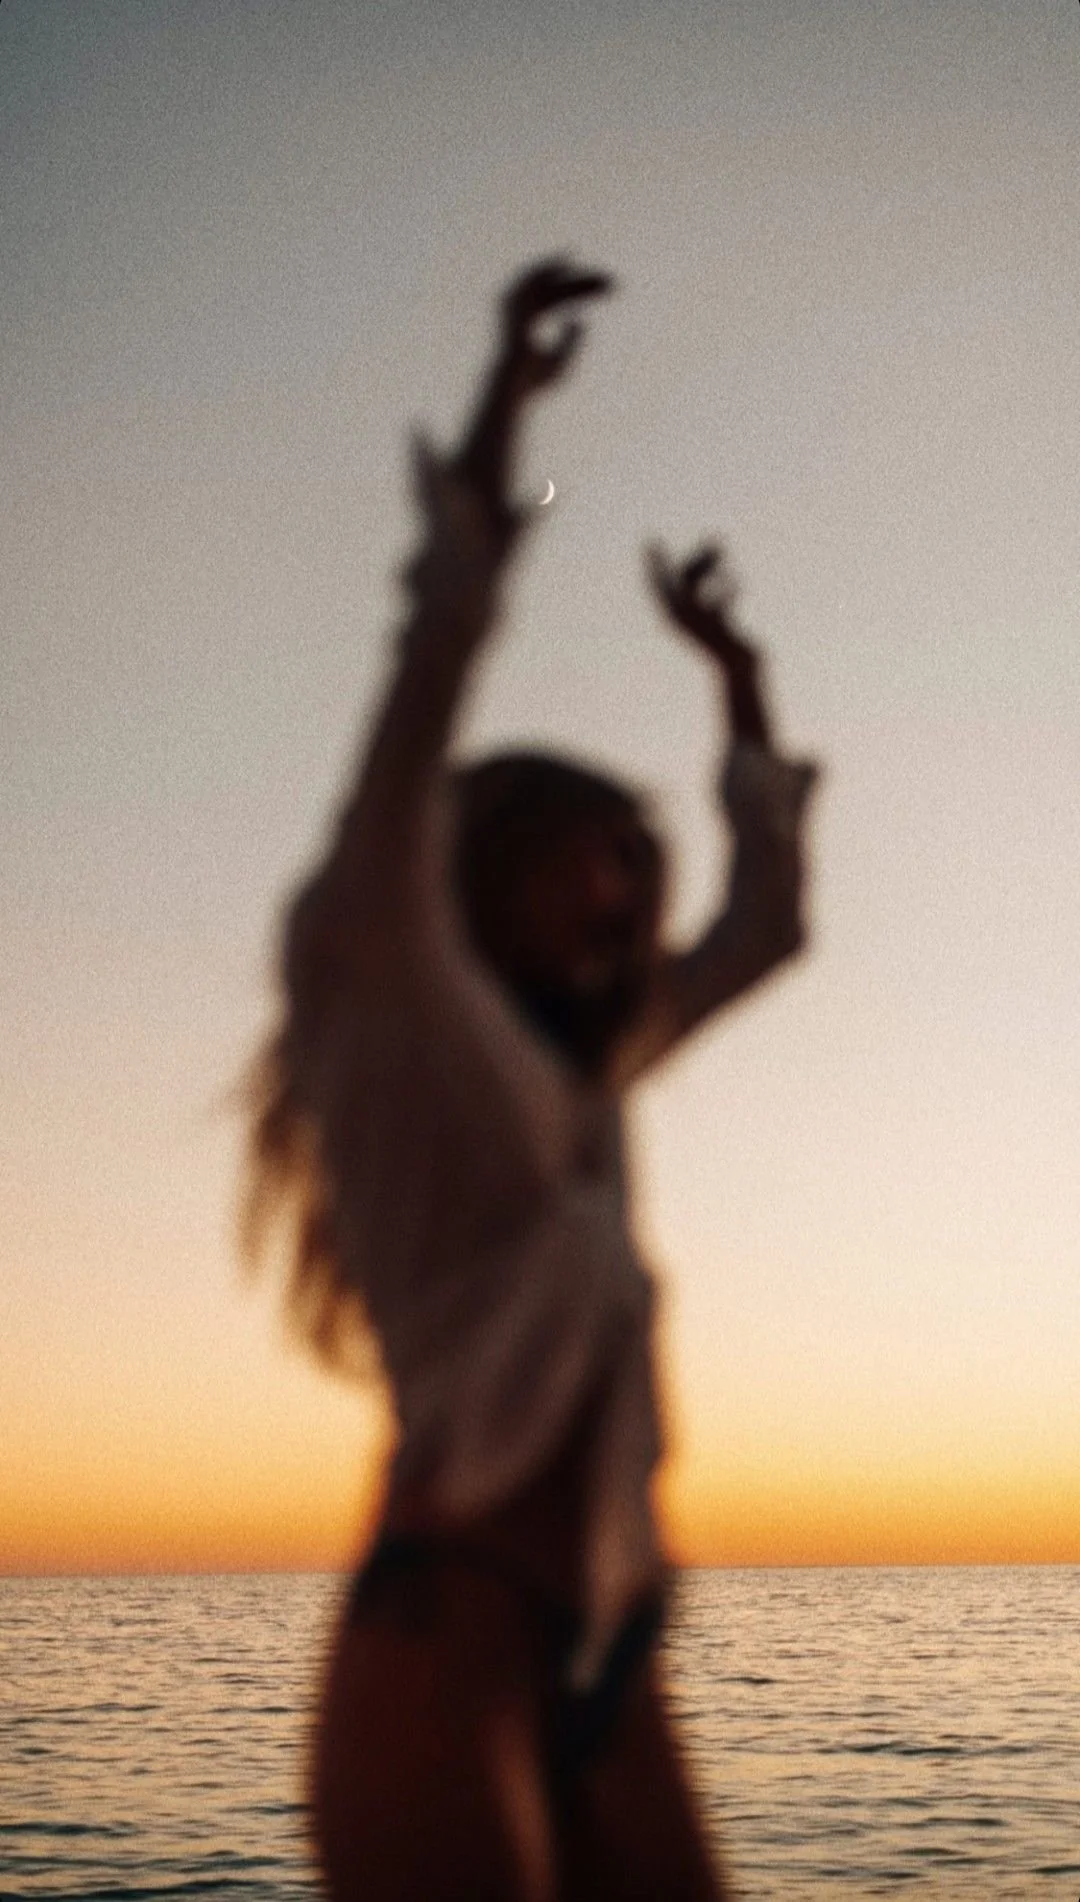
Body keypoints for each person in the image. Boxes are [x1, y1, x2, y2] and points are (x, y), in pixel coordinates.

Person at [243, 259, 817, 1902]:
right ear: (479, 868)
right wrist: (506, 401)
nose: (627, 903)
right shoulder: (380, 964)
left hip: (613, 1657)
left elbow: (768, 923)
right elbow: (431, 665)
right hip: (448, 1635)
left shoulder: (601, 1061)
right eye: (592, 861)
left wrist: (737, 678)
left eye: (640, 870)